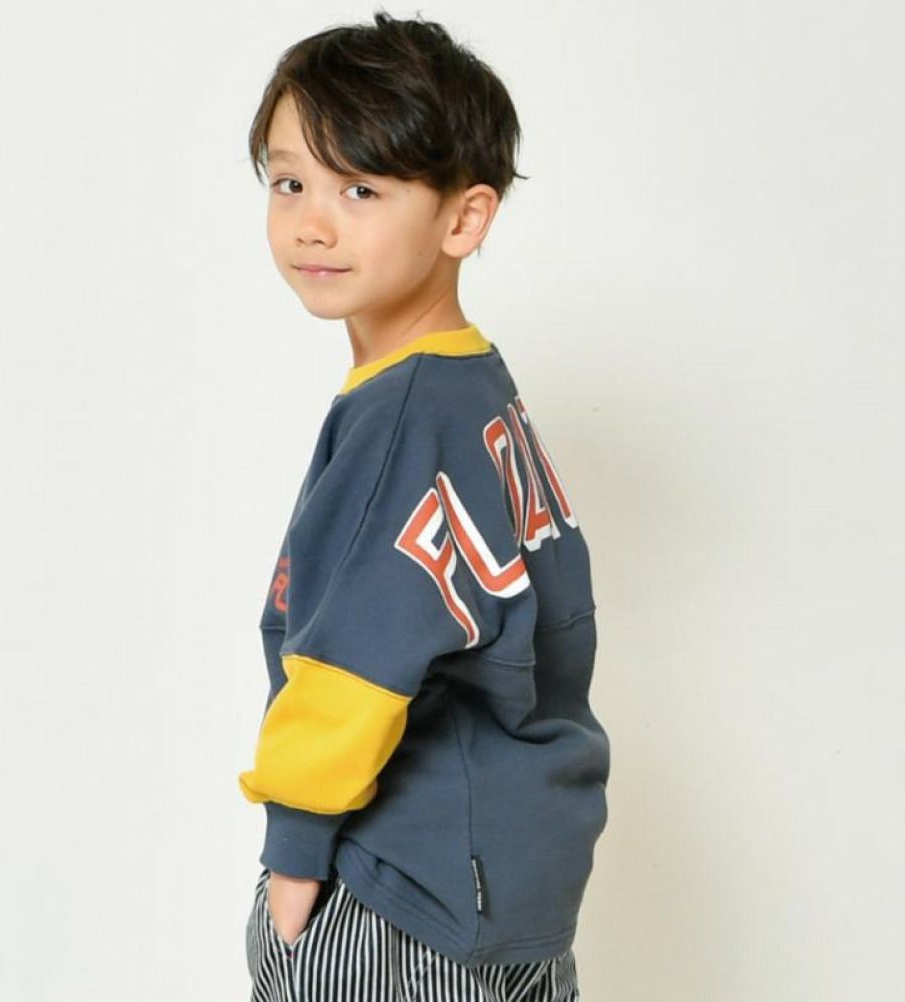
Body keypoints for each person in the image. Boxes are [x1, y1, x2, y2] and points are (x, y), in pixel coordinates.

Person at [237, 10, 611, 1001]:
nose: (313, 222)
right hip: (510, 889)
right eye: (289, 182)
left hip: (399, 892)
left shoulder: (403, 415)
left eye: (361, 188)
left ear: (463, 219)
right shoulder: (474, 386)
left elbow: (358, 655)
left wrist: (296, 850)